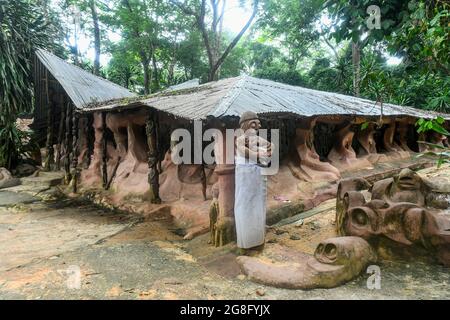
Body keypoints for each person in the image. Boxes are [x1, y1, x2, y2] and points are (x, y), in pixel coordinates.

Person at [234, 111, 273, 253]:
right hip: (246, 177)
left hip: (258, 176)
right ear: (244, 125)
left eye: (258, 124)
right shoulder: (240, 139)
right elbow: (244, 152)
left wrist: (268, 150)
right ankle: (246, 243)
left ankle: (257, 240)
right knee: (245, 205)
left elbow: (270, 146)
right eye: (253, 124)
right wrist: (258, 154)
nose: (256, 127)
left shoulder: (257, 138)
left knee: (258, 205)